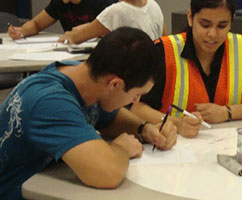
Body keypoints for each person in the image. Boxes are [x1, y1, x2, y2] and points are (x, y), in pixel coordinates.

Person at [0, 27, 177, 199]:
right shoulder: (51, 103)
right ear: (114, 84)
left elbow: (109, 118)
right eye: (137, 94)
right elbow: (107, 173)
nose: (135, 101)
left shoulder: (86, 76)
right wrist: (121, 148)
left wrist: (143, 128)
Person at [131, 0, 242, 138]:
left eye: (222, 26)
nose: (212, 34)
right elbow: (135, 108)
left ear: (232, 21)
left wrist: (227, 112)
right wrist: (176, 124)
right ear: (190, 18)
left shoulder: (241, 48)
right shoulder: (165, 51)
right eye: (205, 25)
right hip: (175, 151)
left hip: (229, 145)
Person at [58, 0, 168, 44]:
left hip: (130, 79)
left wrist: (69, 35)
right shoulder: (154, 5)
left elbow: (76, 37)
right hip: (154, 77)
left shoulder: (117, 11)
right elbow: (165, 41)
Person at [7, 0, 114, 40]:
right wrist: (21, 31)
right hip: (71, 50)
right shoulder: (59, 3)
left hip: (98, 54)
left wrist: (91, 30)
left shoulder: (100, 2)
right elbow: (36, 24)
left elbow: (116, 31)